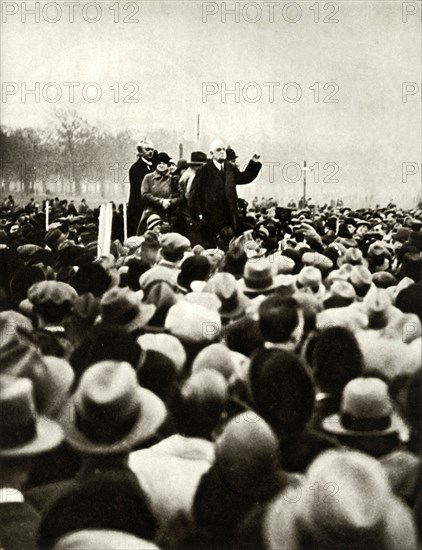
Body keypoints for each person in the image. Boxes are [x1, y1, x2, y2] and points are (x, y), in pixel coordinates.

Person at [188, 139, 262, 247]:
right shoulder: (204, 171)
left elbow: (245, 177)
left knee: (228, 247)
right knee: (212, 249)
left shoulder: (230, 168)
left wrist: (253, 163)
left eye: (223, 149)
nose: (222, 152)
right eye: (219, 150)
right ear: (212, 154)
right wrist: (198, 216)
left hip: (229, 219)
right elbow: (193, 195)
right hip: (210, 220)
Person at [137, 152, 182, 235]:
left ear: (168, 165)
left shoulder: (173, 179)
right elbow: (145, 195)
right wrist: (161, 202)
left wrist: (170, 202)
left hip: (167, 214)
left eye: (164, 163)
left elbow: (179, 197)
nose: (161, 165)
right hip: (151, 212)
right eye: (159, 163)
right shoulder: (148, 177)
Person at [127, 140, 155, 237]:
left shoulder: (153, 167)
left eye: (152, 149)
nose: (150, 152)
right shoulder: (136, 168)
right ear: (140, 152)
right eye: (147, 149)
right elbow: (138, 190)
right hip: (138, 206)